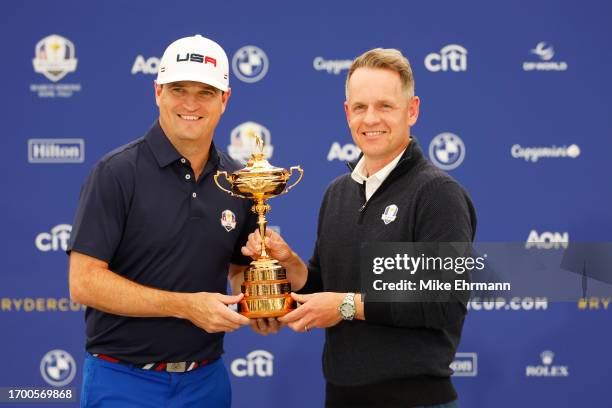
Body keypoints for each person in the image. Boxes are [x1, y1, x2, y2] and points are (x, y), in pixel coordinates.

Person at [242, 48, 477, 407]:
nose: (371, 119)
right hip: (341, 396)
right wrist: (290, 263)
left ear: (412, 110)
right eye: (360, 107)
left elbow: (443, 301)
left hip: (416, 400)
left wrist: (348, 306)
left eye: (385, 106)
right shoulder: (338, 192)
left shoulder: (437, 193)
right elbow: (325, 288)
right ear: (346, 112)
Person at [67, 34, 258, 407]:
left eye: (205, 91)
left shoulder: (240, 182)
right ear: (157, 92)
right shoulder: (116, 173)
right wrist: (185, 305)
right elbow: (83, 283)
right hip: (123, 380)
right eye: (178, 89)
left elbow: (238, 269)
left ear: (225, 99)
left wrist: (260, 300)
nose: (190, 103)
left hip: (206, 381)